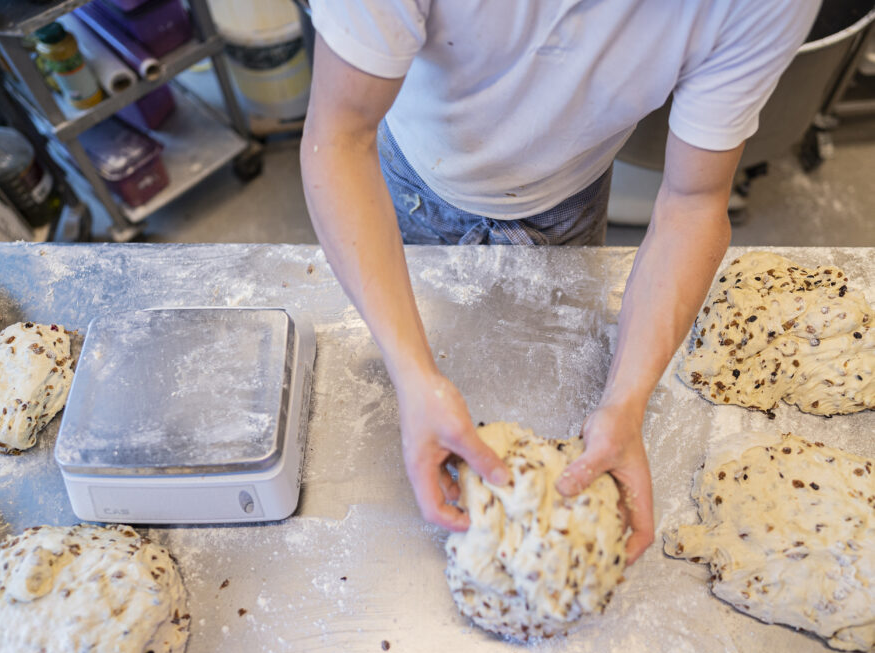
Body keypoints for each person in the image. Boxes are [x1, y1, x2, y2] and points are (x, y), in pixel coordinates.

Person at [299, 1, 820, 565]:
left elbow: (694, 202)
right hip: (408, 180)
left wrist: (625, 402)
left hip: (571, 194)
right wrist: (410, 372)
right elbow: (341, 139)